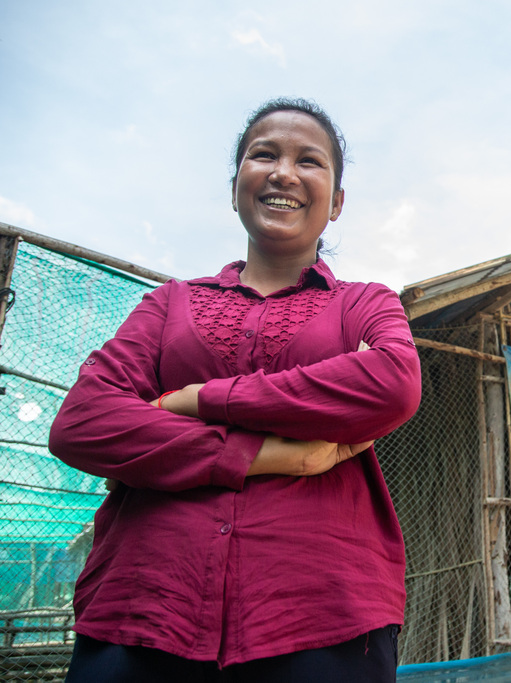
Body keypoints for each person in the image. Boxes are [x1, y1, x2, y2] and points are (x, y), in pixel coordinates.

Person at [48, 97, 422, 682]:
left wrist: (199, 398)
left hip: (322, 615)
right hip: (143, 603)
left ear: (338, 202)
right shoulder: (168, 304)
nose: (283, 172)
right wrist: (266, 454)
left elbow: (393, 382)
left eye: (310, 161)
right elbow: (84, 422)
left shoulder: (364, 302)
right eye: (263, 154)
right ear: (236, 186)